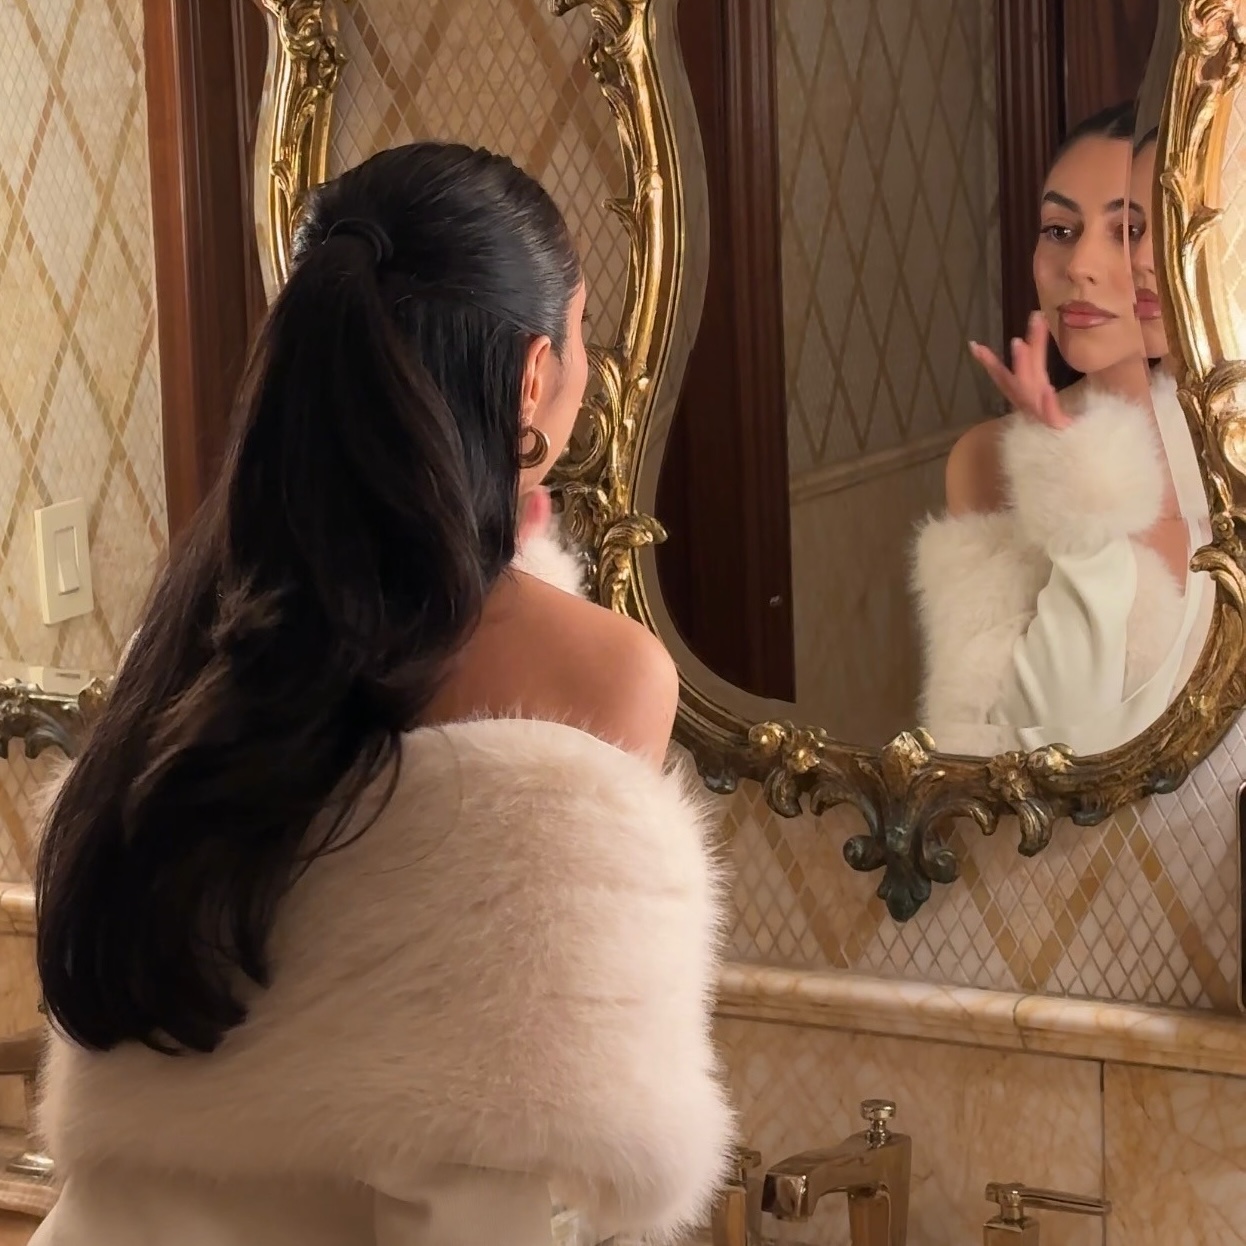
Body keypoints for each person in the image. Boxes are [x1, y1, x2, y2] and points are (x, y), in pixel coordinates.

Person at [29, 142, 734, 1246]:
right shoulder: (598, 675)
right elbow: (473, 1178)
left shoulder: (194, 639)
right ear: (533, 377)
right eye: (587, 335)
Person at [911, 104, 1194, 755]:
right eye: (1061, 230)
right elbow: (1016, 749)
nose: (1082, 265)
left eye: (1128, 229)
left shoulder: (1221, 444)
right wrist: (1074, 487)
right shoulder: (989, 460)